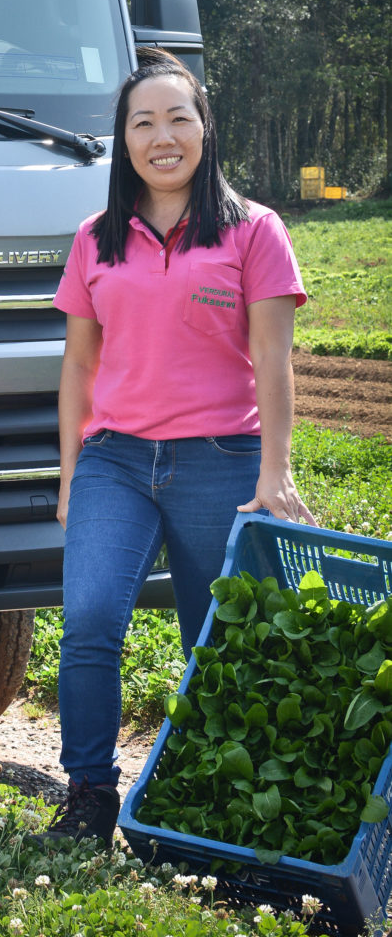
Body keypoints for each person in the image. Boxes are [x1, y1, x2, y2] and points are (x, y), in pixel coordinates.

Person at [43, 47, 314, 846]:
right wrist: (70, 475)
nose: (163, 136)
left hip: (222, 461)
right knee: (90, 618)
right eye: (143, 122)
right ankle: (90, 792)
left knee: (214, 638)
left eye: (178, 117)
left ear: (206, 128)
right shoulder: (97, 239)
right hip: (116, 462)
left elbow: (273, 359)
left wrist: (275, 472)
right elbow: (79, 363)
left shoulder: (254, 231)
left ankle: (207, 796)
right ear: (123, 141)